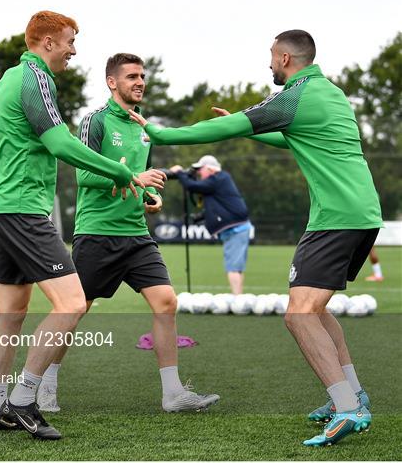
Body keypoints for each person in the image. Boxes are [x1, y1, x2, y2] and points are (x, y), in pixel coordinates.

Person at [128, 30, 382, 447]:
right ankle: (352, 393)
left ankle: (348, 408)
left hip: (335, 218)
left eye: (271, 57)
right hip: (361, 213)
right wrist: (248, 130)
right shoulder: (329, 93)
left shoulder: (294, 94)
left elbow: (226, 126)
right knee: (316, 310)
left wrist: (162, 134)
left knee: (298, 314)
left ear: (284, 57)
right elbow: (290, 137)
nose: (269, 64)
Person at [0, 12, 143, 440]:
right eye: (70, 41)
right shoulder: (34, 77)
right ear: (48, 42)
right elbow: (60, 143)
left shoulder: (11, 78)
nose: (74, 50)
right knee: (72, 303)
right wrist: (121, 173)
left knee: (12, 312)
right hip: (21, 209)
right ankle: (22, 400)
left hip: (0, 207)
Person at [35, 53, 219, 414]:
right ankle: (45, 384)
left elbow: (142, 178)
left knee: (166, 301)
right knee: (73, 310)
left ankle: (173, 394)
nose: (139, 82)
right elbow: (84, 175)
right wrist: (134, 179)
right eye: (131, 76)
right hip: (97, 234)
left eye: (142, 76)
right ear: (112, 82)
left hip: (136, 235)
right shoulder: (96, 121)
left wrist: (151, 197)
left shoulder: (143, 128)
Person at [169, 155, 251, 295]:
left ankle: (238, 299)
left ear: (210, 168)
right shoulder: (219, 180)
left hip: (235, 229)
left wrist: (180, 173)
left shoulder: (218, 178)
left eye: (200, 169)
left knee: (233, 267)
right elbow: (219, 204)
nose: (199, 173)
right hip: (237, 228)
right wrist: (203, 216)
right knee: (236, 267)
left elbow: (192, 186)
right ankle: (239, 297)